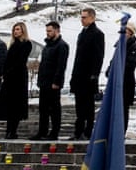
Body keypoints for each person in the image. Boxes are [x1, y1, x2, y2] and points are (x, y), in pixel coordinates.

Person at [70, 8, 105, 140]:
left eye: (84, 17)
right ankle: (77, 131)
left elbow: (98, 56)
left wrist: (94, 74)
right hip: (79, 75)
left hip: (89, 76)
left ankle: (88, 131)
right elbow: (78, 57)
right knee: (79, 106)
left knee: (88, 106)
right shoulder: (82, 34)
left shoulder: (97, 34)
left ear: (92, 18)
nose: (82, 20)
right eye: (81, 17)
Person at [33, 20, 69, 140]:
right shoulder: (48, 45)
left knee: (54, 109)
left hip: (53, 82)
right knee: (43, 108)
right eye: (47, 31)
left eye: (50, 31)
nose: (47, 33)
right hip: (44, 81)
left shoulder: (62, 45)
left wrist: (57, 82)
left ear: (57, 30)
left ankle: (54, 132)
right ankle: (42, 131)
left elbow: (61, 65)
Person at [0, 22, 33, 139]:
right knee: (9, 104)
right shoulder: (12, 44)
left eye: (17, 29)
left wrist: (8, 72)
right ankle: (9, 130)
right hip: (9, 78)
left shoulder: (26, 44)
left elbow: (20, 61)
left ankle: (13, 130)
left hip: (18, 77)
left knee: (16, 105)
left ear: (23, 31)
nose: (15, 32)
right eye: (14, 30)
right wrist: (4, 72)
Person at [118, 22, 136, 132]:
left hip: (126, 82)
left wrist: (118, 68)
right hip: (117, 82)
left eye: (125, 33)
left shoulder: (134, 48)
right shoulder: (119, 46)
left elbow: (130, 65)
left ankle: (122, 131)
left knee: (123, 109)